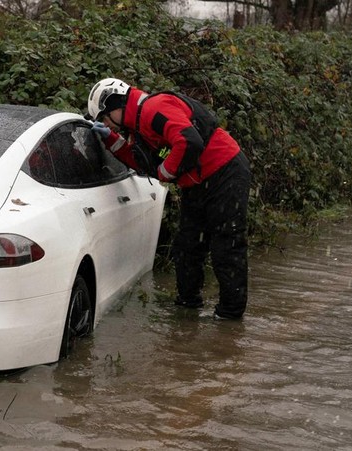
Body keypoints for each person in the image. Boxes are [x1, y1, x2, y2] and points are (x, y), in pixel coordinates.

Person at [87, 78, 251, 320]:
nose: (108, 124)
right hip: (196, 183)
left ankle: (230, 319)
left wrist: (166, 172)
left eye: (105, 119)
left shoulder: (155, 109)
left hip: (225, 171)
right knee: (187, 247)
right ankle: (187, 310)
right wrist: (111, 140)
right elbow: (141, 161)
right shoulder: (138, 125)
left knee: (226, 246)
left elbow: (189, 141)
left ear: (115, 105)